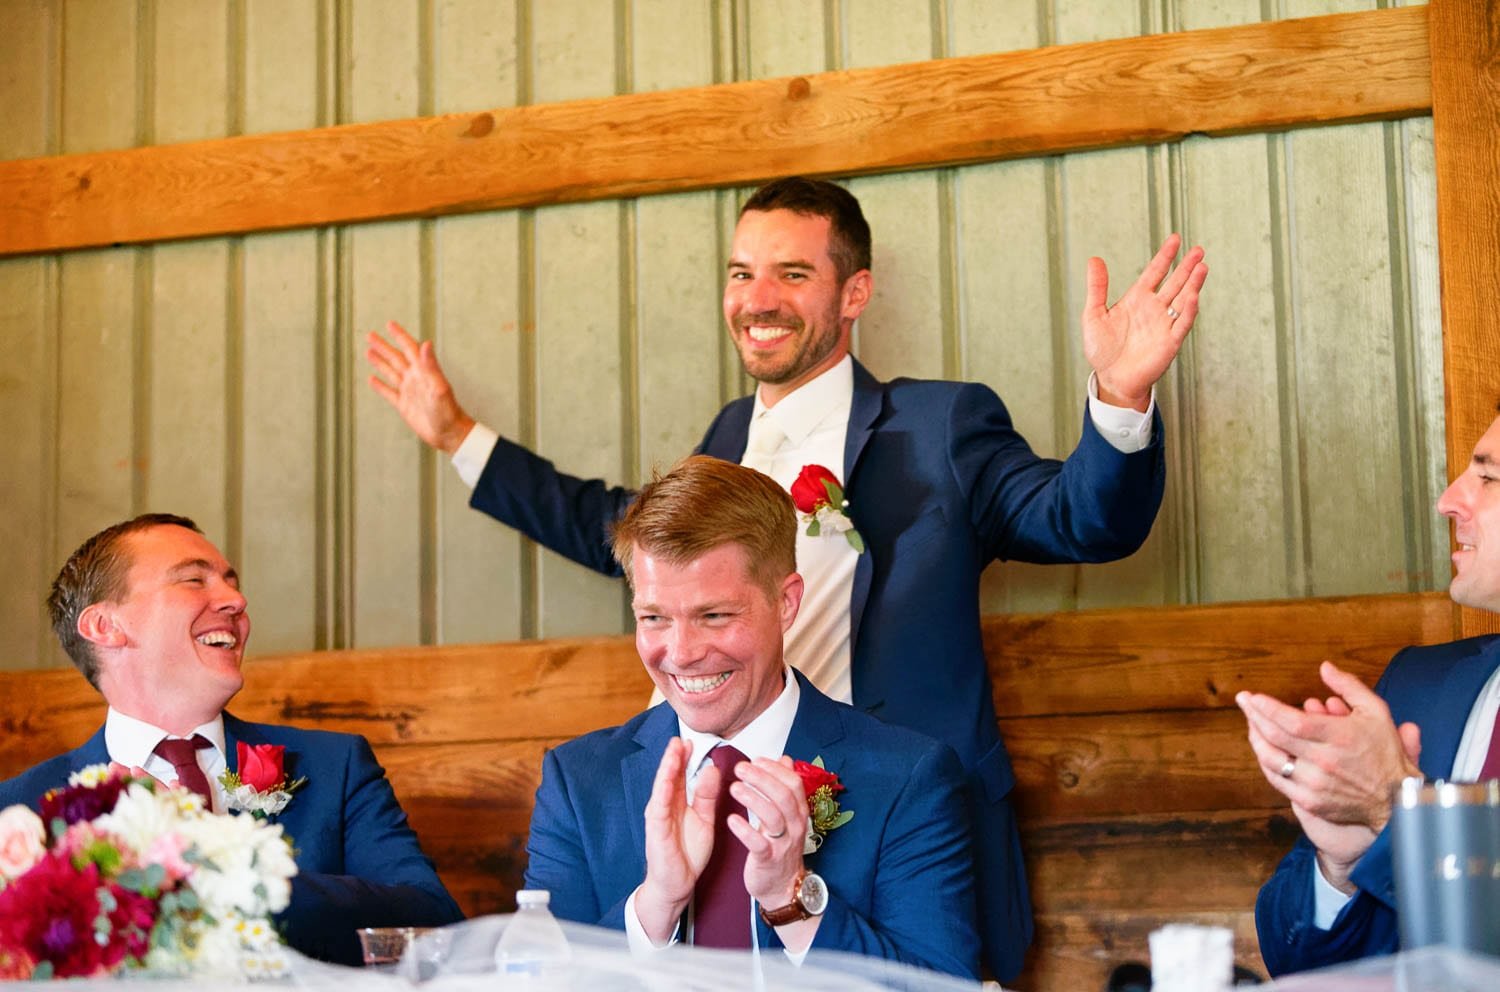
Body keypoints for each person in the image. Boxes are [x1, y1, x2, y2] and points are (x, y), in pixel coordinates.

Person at [366, 175, 1208, 979]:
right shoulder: (724, 437)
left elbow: (1078, 519)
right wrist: (460, 438)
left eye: (792, 273)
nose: (757, 298)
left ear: (855, 293)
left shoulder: (939, 423)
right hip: (694, 803)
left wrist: (1119, 397)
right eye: (741, 273)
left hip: (883, 820)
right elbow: (617, 531)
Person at [523, 455, 979, 976]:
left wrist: (792, 899)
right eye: (654, 618)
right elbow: (541, 978)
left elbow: (939, 985)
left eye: (713, 616)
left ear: (785, 603)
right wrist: (656, 905)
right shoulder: (578, 781)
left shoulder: (908, 777)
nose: (682, 652)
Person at [0, 514, 464, 966]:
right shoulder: (19, 813)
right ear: (105, 626)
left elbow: (434, 920)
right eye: (194, 581)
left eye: (230, 580)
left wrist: (218, 865)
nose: (236, 600)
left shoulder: (335, 767)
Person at [1238, 409, 1500, 975]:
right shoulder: (1417, 685)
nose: (1448, 501)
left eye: (1488, 476)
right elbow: (1294, 961)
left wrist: (1400, 809)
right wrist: (1342, 864)